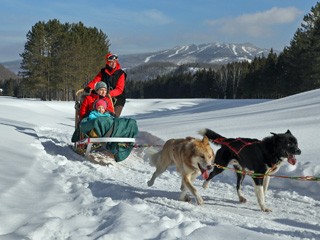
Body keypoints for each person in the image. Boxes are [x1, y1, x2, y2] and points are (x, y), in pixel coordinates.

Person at [84, 53, 126, 118]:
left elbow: (119, 89)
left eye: (115, 62)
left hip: (118, 99)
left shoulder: (121, 74)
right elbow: (95, 81)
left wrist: (109, 93)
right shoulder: (103, 72)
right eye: (111, 62)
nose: (113, 64)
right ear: (108, 63)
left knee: (113, 117)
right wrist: (89, 87)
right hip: (104, 97)